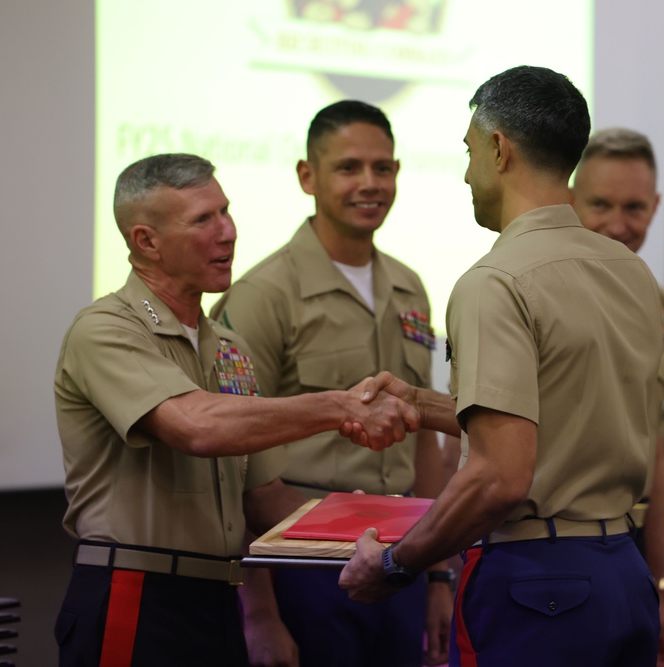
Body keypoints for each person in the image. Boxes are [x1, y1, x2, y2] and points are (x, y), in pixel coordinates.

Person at [338, 65, 663, 667]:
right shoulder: (631, 271)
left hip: (540, 587)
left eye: (468, 150)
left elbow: (500, 476)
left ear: (497, 148)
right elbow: (561, 414)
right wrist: (423, 402)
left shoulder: (496, 281)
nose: (466, 173)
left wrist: (394, 564)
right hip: (622, 568)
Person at [53, 153, 417, 667]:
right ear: (146, 242)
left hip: (219, 598)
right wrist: (338, 406)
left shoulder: (227, 346)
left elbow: (263, 496)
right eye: (203, 219)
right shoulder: (106, 329)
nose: (228, 232)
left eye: (225, 212)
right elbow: (195, 426)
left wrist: (356, 529)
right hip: (136, 592)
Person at [210, 100, 452, 667]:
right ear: (307, 176)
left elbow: (422, 440)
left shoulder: (410, 287)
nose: (370, 184)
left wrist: (439, 574)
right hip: (306, 567)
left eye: (383, 168)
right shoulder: (263, 295)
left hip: (403, 558)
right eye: (348, 168)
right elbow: (232, 465)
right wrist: (260, 614)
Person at [570, 127, 664, 667]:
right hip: (553, 553)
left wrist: (663, 589)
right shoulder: (535, 285)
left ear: (656, 206)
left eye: (635, 207)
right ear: (570, 199)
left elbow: (654, 448)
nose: (619, 224)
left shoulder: (657, 302)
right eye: (601, 204)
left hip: (630, 553)